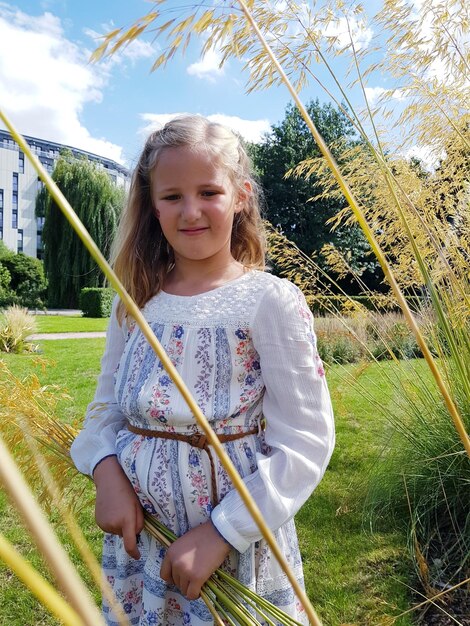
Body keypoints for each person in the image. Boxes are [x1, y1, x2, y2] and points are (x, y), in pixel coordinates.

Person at [70, 115, 335, 626]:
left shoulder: (268, 302)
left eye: (209, 191)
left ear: (240, 195)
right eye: (172, 196)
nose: (190, 211)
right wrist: (105, 471)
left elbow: (305, 441)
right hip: (143, 547)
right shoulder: (134, 304)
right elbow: (104, 411)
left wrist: (221, 532)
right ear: (152, 204)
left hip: (232, 551)